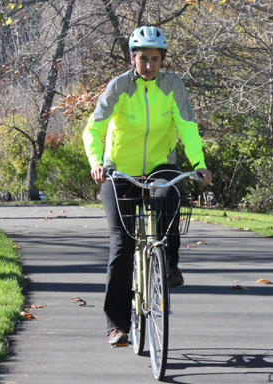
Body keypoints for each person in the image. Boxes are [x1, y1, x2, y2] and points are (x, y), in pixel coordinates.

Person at [83, 25, 212, 347]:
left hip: (160, 165)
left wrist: (199, 163)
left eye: (155, 59)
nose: (149, 65)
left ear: (162, 59)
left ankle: (169, 263)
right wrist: (96, 162)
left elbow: (187, 126)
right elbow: (94, 128)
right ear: (133, 58)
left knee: (170, 195)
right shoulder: (119, 86)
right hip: (119, 170)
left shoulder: (172, 86)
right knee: (122, 246)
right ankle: (117, 325)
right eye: (143, 59)